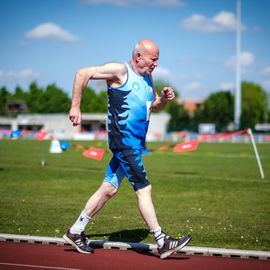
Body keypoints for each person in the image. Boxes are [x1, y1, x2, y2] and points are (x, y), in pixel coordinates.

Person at [63, 39, 192, 259]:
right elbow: (82, 73)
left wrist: (163, 99)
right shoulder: (119, 71)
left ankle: (76, 231)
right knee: (144, 189)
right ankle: (162, 241)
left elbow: (152, 106)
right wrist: (76, 106)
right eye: (154, 59)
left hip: (135, 143)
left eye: (158, 60)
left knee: (109, 189)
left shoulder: (147, 78)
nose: (156, 64)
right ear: (139, 56)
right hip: (124, 142)